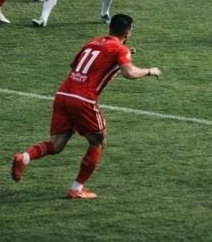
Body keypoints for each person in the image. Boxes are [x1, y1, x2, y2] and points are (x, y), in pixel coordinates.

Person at [10, 13, 162, 199]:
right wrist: (149, 71)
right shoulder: (120, 49)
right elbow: (129, 73)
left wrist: (115, 60)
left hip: (63, 95)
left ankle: (24, 157)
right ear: (128, 32)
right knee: (98, 141)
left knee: (57, 145)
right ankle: (77, 188)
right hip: (83, 100)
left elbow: (76, 65)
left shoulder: (93, 42)